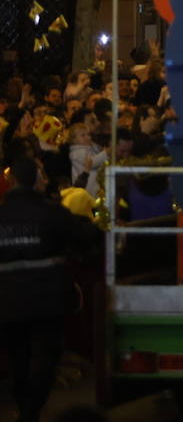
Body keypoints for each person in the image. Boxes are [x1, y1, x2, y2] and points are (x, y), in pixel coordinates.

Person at [0, 156, 98, 422]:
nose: (45, 180)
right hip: (47, 302)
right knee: (46, 356)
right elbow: (85, 236)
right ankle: (32, 410)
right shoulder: (51, 212)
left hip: (8, 303)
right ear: (34, 180)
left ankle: (25, 409)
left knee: (18, 357)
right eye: (41, 175)